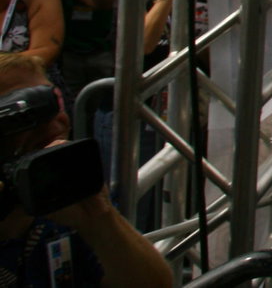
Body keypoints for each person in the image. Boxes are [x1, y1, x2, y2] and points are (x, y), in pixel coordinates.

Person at [0, 53, 170, 287]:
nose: (55, 121)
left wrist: (100, 219)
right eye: (22, 114)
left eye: (54, 102)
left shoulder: (69, 191)